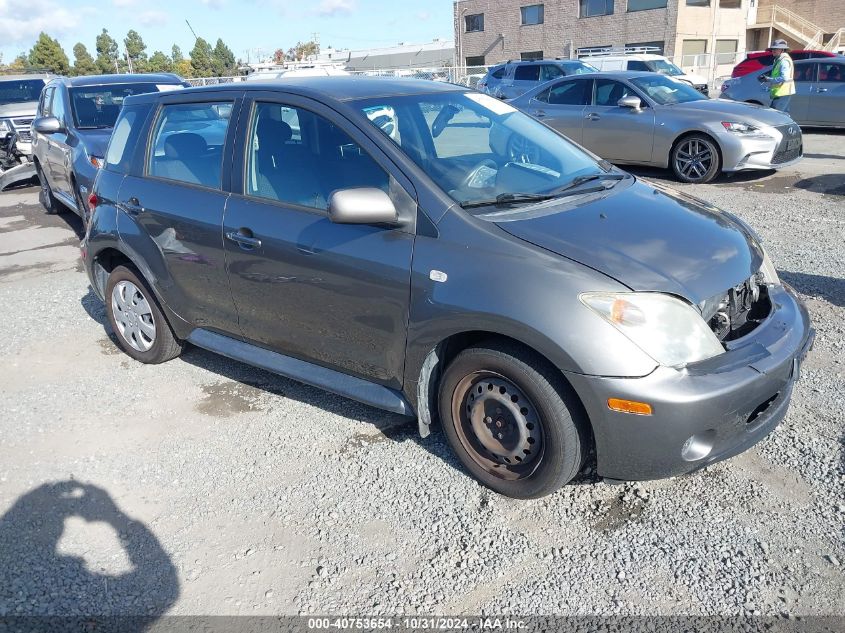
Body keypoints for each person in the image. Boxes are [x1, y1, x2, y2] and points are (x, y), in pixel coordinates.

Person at [764, 39, 795, 113]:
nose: (773, 50)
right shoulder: (779, 60)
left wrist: (769, 79)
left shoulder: (783, 61)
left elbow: (784, 77)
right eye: (772, 49)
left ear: (782, 50)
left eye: (776, 49)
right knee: (783, 116)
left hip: (782, 92)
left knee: (774, 116)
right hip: (782, 92)